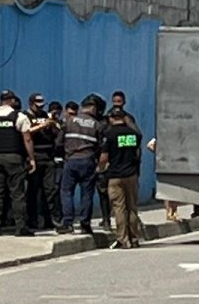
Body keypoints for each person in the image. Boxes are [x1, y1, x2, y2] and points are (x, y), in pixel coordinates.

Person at [0, 90, 37, 236]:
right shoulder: (19, 117)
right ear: (12, 101)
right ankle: (20, 226)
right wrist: (31, 158)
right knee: (17, 193)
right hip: (14, 158)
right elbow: (27, 139)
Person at [58, 95, 102, 235]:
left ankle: (68, 222)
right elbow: (101, 146)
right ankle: (85, 224)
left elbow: (59, 142)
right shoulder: (96, 124)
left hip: (71, 160)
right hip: (88, 160)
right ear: (93, 108)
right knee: (87, 194)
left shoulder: (69, 121)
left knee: (66, 192)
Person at [101, 108, 143, 249]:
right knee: (132, 208)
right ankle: (135, 238)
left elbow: (104, 157)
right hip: (131, 174)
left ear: (112, 118)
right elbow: (137, 153)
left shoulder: (109, 135)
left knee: (119, 207)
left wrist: (100, 169)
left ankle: (123, 239)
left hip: (115, 175)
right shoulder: (134, 134)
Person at [25, 93, 62, 230]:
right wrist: (41, 126)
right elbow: (26, 132)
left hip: (48, 156)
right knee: (33, 190)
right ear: (31, 103)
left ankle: (50, 219)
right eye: (36, 105)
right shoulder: (25, 116)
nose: (39, 108)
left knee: (50, 189)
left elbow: (57, 132)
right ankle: (32, 219)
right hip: (34, 155)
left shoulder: (45, 116)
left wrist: (53, 124)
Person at [145, 138, 179, 222]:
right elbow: (149, 145)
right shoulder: (161, 137)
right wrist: (159, 154)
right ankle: (169, 212)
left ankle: (174, 212)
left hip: (174, 166)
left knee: (175, 191)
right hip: (165, 167)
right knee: (167, 192)